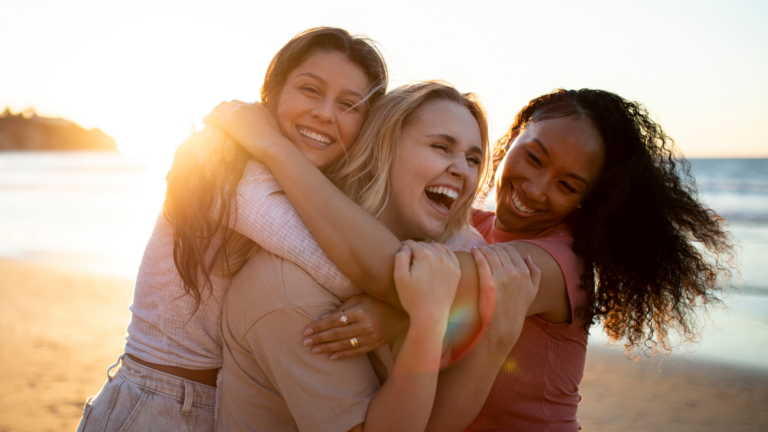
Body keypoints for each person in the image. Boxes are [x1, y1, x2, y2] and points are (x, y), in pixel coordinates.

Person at [204, 88, 734, 431]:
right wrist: (406, 309)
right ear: (512, 139)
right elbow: (431, 295)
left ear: (588, 202)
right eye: (533, 157)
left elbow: (398, 275)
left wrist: (277, 152)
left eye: (568, 185)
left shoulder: (556, 267)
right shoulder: (467, 227)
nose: (535, 187)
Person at [76, 27, 390, 432]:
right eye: (311, 90)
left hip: (198, 402)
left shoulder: (303, 185)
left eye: (349, 105)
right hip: (162, 404)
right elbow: (345, 271)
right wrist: (398, 309)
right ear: (272, 94)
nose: (326, 113)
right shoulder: (234, 169)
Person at [214, 81, 541, 432]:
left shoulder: (440, 265)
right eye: (441, 146)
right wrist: (428, 321)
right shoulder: (289, 291)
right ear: (376, 155)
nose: (463, 170)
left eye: (473, 158)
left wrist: (496, 338)